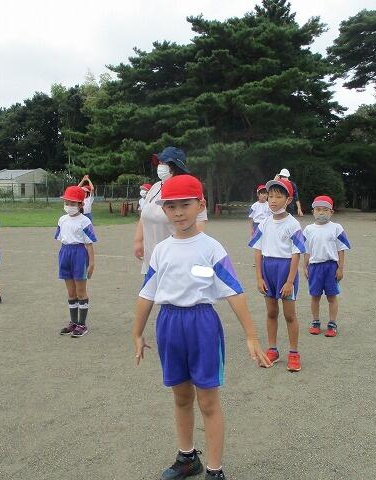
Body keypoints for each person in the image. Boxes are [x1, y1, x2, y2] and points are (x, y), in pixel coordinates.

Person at [133, 174, 270, 480]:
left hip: (202, 325)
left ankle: (215, 470)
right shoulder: (161, 250)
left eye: (185, 204)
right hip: (169, 324)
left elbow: (234, 291)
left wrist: (251, 336)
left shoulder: (211, 248)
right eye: (171, 206)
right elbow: (147, 293)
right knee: (181, 397)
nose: (178, 212)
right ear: (164, 210)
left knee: (208, 401)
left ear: (200, 205)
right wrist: (137, 332)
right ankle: (187, 457)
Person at [248, 178, 306, 372]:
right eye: (270, 196)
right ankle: (272, 349)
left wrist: (289, 281)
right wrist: (259, 277)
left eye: (278, 197)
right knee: (271, 312)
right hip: (268, 269)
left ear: (288, 200)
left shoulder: (293, 224)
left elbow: (296, 254)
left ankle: (294, 353)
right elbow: (257, 250)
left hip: (286, 270)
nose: (272, 200)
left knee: (289, 315)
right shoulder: (264, 223)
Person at [134, 146, 207, 275]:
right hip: (151, 261)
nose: (160, 166)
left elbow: (199, 224)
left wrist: (190, 253)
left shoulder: (190, 190)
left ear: (176, 166)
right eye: (160, 162)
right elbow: (144, 216)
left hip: (176, 262)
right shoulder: (155, 187)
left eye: (165, 163)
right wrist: (138, 241)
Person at [303, 195, 351, 337]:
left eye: (325, 210)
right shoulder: (308, 229)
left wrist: (340, 268)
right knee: (315, 296)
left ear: (331, 212)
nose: (321, 212)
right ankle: (315, 322)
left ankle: (332, 323)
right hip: (314, 267)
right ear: (313, 212)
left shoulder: (336, 228)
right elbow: (306, 250)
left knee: (332, 297)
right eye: (318, 209)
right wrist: (305, 267)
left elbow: (341, 249)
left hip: (331, 267)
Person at [55, 186, 97, 338]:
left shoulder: (85, 221)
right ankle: (73, 322)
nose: (69, 206)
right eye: (67, 202)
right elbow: (61, 238)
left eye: (73, 203)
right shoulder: (62, 220)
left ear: (81, 204)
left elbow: (89, 244)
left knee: (80, 291)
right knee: (71, 292)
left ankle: (82, 324)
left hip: (79, 254)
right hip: (65, 252)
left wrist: (91, 263)